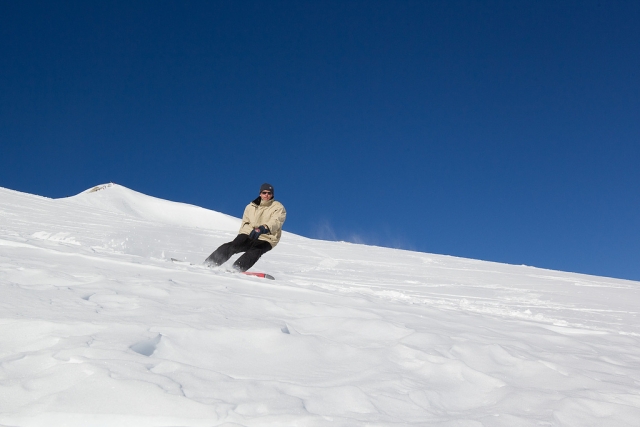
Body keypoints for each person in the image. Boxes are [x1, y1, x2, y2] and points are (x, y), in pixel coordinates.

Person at [204, 183, 286, 272]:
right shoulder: (251, 206)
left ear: (272, 195)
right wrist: (243, 235)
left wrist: (263, 228)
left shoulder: (278, 207)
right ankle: (210, 263)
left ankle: (236, 268)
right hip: (249, 233)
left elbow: (276, 221)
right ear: (260, 193)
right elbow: (246, 222)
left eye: (269, 193)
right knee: (232, 246)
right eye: (264, 192)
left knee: (255, 251)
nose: (266, 195)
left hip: (268, 238)